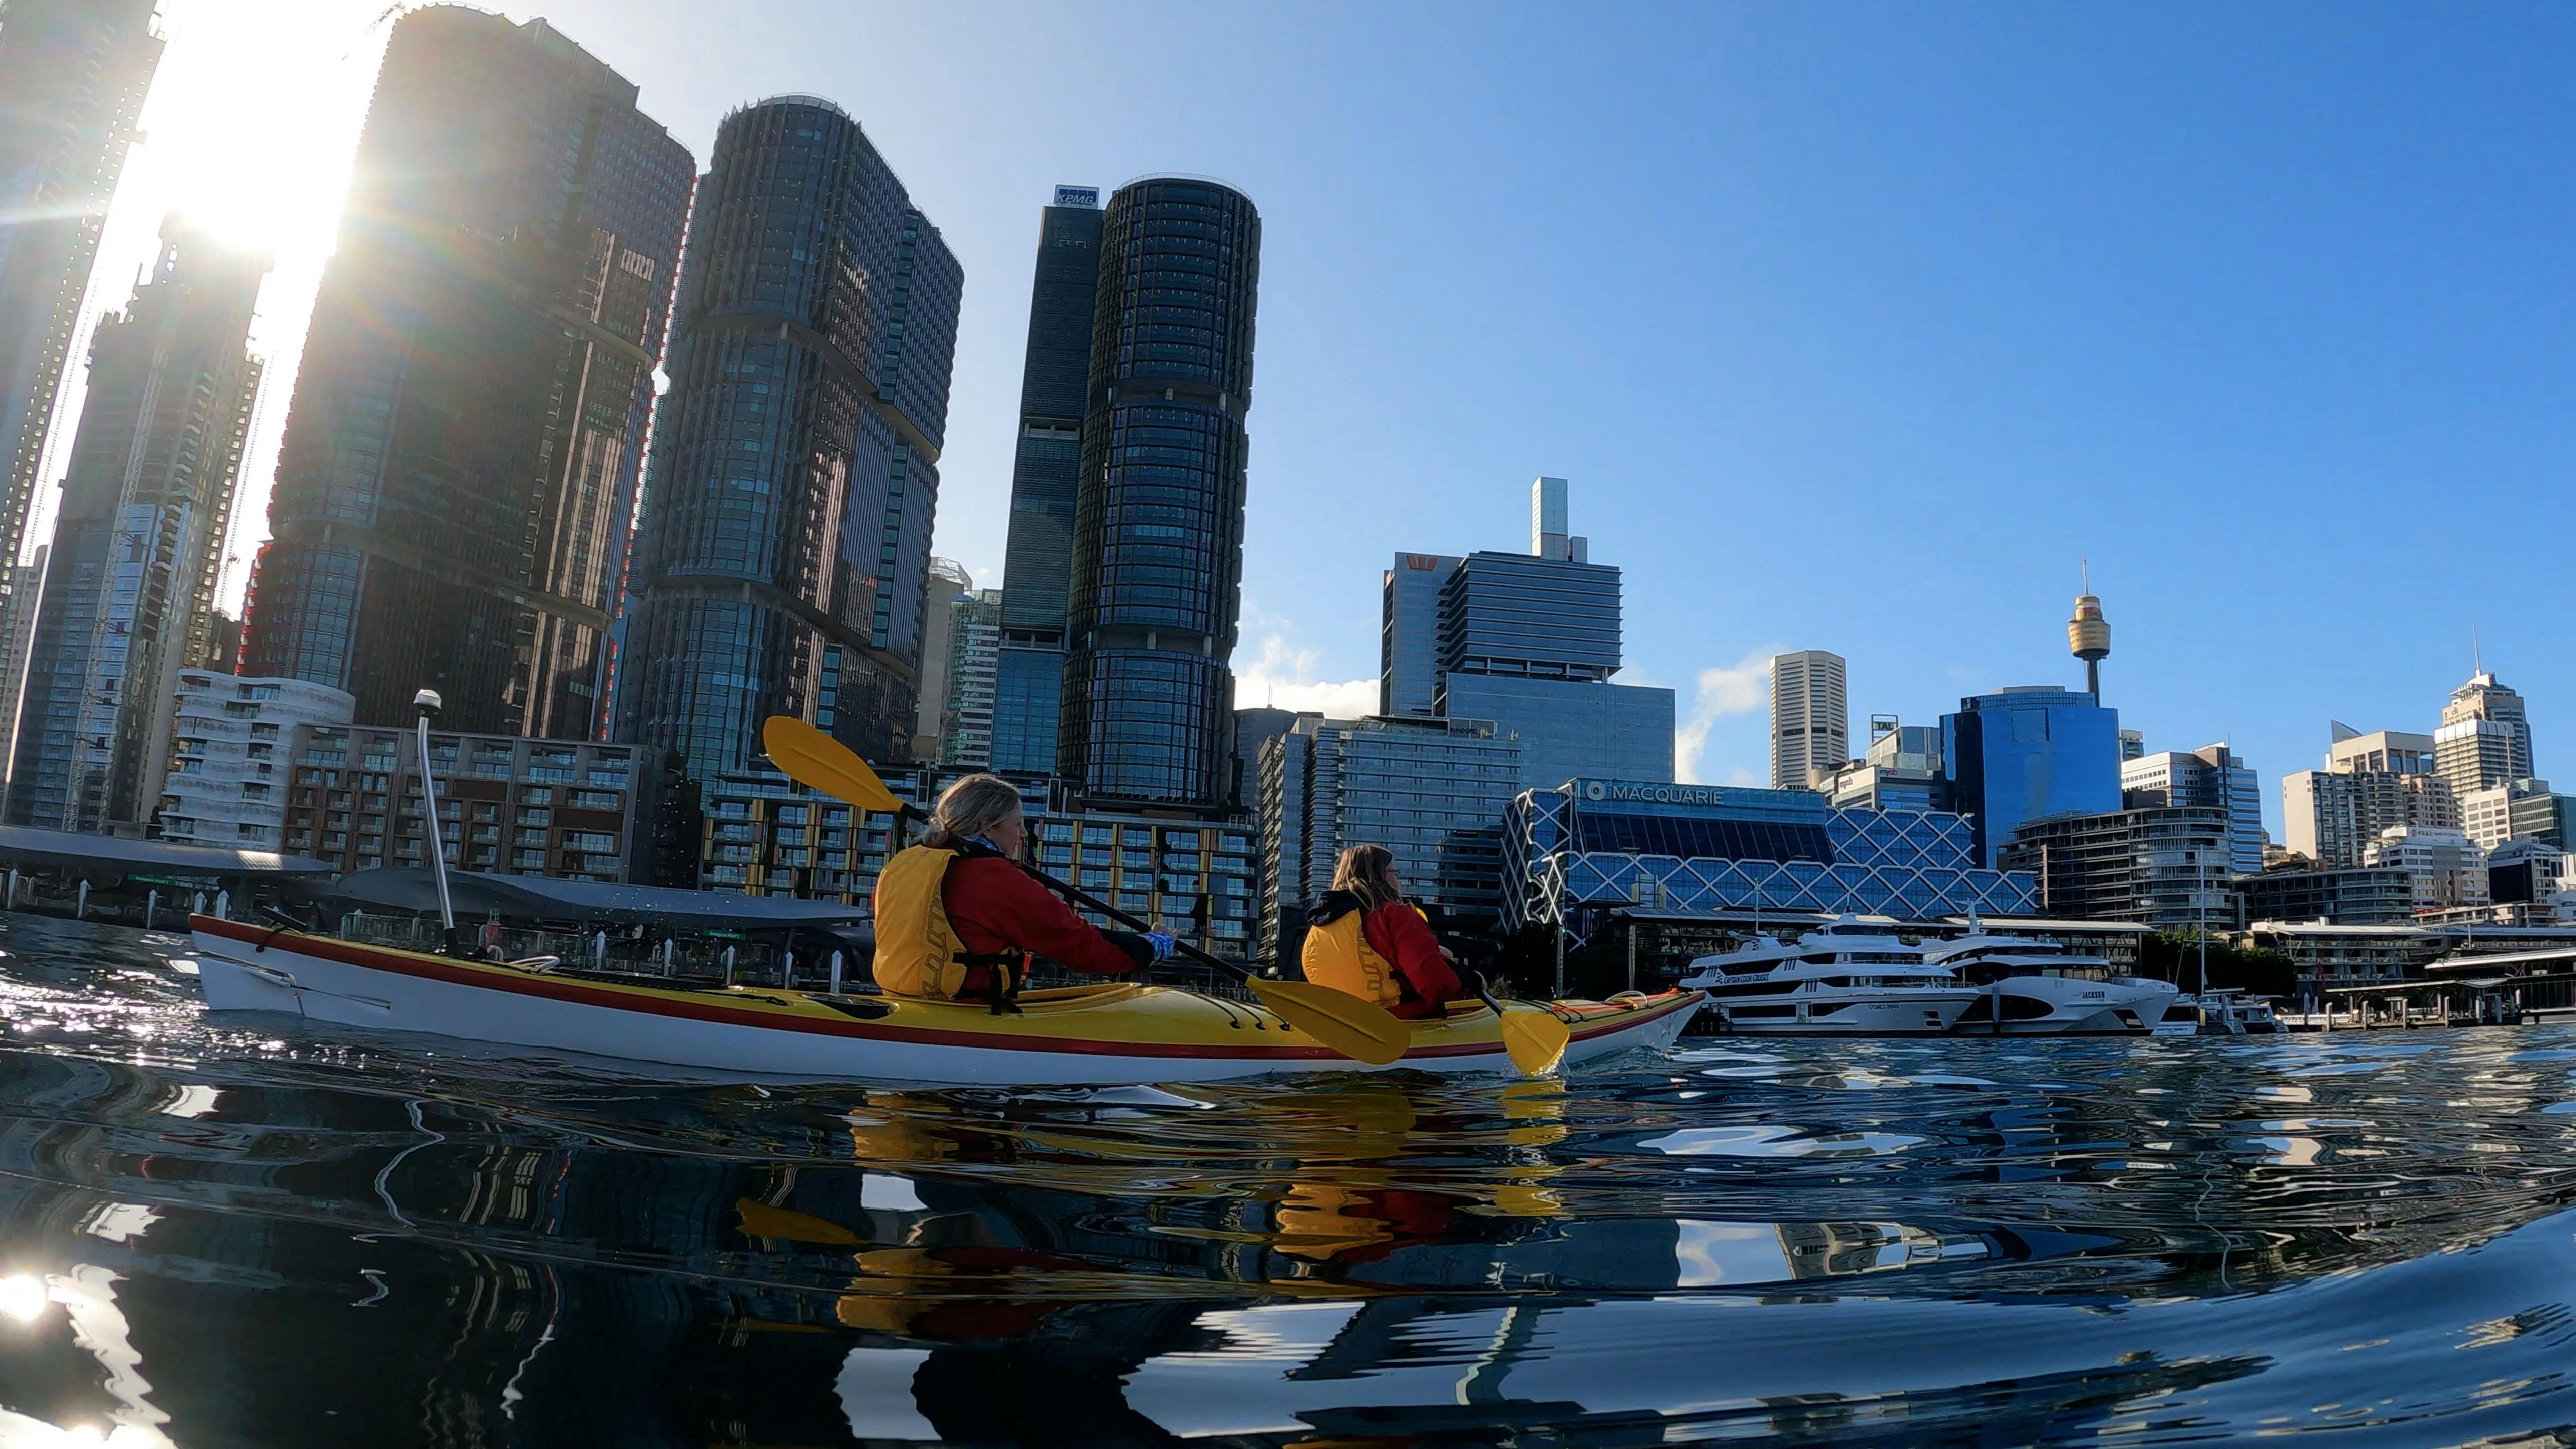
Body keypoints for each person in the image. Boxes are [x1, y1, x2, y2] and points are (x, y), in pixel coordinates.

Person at [873, 774, 1174, 1005]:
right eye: (1017, 824)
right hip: (966, 1010)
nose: (1023, 834)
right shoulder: (993, 879)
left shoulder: (902, 863)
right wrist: (1153, 947)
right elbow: (1076, 943)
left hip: (900, 1000)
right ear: (988, 827)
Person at [1299, 844, 1464, 1019]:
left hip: (1344, 1022)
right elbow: (1436, 984)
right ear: (1381, 877)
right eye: (1395, 873)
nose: (1398, 881)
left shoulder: (1323, 923)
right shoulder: (1394, 915)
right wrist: (1467, 980)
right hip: (1399, 1021)